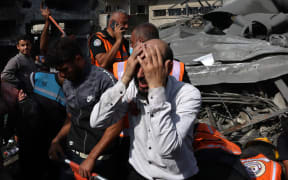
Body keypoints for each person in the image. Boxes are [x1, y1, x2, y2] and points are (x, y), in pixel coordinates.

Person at [90, 39, 201, 180]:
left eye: (150, 67)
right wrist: (124, 79)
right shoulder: (133, 87)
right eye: (138, 65)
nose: (141, 74)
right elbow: (97, 121)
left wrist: (156, 91)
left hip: (176, 176)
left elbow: (166, 149)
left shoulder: (188, 94)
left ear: (168, 67)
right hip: (139, 172)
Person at [47, 37, 124, 180]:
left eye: (64, 69)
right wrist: (56, 140)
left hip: (100, 162)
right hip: (73, 157)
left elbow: (116, 125)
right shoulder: (67, 81)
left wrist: (92, 158)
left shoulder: (105, 81)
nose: (62, 75)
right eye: (59, 71)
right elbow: (71, 118)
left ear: (78, 59)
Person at [113, 23, 191, 83]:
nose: (132, 46)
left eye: (132, 42)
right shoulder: (176, 66)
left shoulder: (120, 68)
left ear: (140, 42)